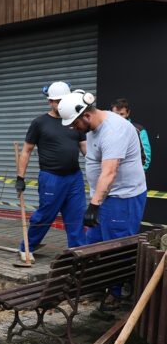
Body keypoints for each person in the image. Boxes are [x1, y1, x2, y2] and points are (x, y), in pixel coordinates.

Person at [58, 91, 147, 299]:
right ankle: (99, 286)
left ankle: (116, 296)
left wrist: (94, 205)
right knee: (95, 244)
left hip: (122, 198)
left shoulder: (114, 131)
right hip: (106, 197)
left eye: (74, 124)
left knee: (116, 248)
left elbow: (110, 171)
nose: (73, 128)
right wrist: (96, 200)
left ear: (86, 116)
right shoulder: (93, 126)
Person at [16, 81, 87, 261]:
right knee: (45, 215)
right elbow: (26, 151)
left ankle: (77, 251)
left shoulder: (74, 120)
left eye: (63, 100)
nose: (60, 104)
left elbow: (84, 147)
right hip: (51, 177)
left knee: (76, 216)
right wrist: (20, 177)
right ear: (50, 102)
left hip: (74, 178)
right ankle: (26, 247)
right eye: (56, 101)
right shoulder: (40, 122)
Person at [110, 98, 151, 171]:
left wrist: (137, 173)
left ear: (128, 113)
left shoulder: (138, 130)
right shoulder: (105, 130)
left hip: (132, 177)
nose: (119, 117)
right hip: (110, 175)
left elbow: (146, 157)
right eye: (116, 114)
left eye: (122, 114)